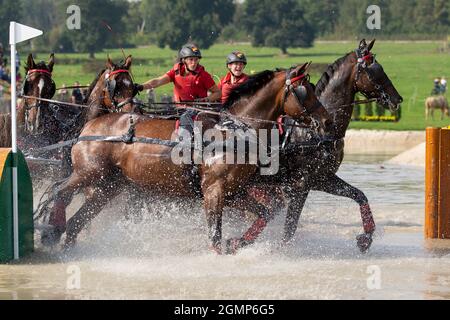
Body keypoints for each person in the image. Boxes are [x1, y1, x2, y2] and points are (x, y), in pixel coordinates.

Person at [135, 44, 221, 131]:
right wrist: (141, 87)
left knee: (185, 119)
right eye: (191, 59)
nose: (194, 63)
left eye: (196, 60)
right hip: (179, 109)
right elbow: (157, 81)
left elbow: (218, 93)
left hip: (198, 110)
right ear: (184, 60)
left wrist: (206, 99)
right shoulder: (175, 72)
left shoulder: (203, 75)